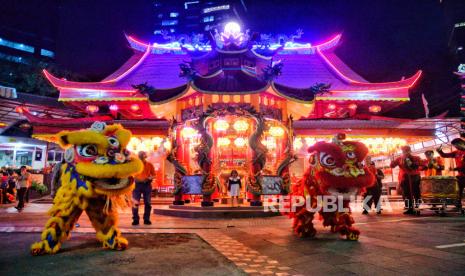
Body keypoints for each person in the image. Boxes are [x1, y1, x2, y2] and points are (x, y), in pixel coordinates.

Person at [390, 146, 423, 215]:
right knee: (406, 194)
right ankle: (409, 208)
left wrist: (413, 164)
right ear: (402, 151)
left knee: (416, 193)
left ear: (410, 151)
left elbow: (421, 165)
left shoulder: (416, 158)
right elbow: (392, 166)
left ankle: (418, 206)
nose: (406, 152)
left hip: (415, 177)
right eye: (404, 151)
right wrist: (392, 162)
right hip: (405, 178)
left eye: (407, 150)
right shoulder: (399, 159)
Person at [437, 138, 465, 208]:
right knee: (458, 190)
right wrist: (440, 151)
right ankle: (458, 205)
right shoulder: (456, 152)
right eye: (455, 146)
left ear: (462, 143)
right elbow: (444, 155)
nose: (456, 147)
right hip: (460, 175)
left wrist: (454, 169)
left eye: (457, 145)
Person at [132, 151, 155, 225]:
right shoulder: (135, 165)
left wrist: (149, 178)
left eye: (143, 155)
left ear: (145, 156)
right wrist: (135, 179)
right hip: (136, 185)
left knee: (148, 203)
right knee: (135, 203)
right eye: (140, 156)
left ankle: (146, 219)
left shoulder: (149, 165)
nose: (142, 157)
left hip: (147, 185)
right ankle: (135, 219)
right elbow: (131, 174)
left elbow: (154, 175)